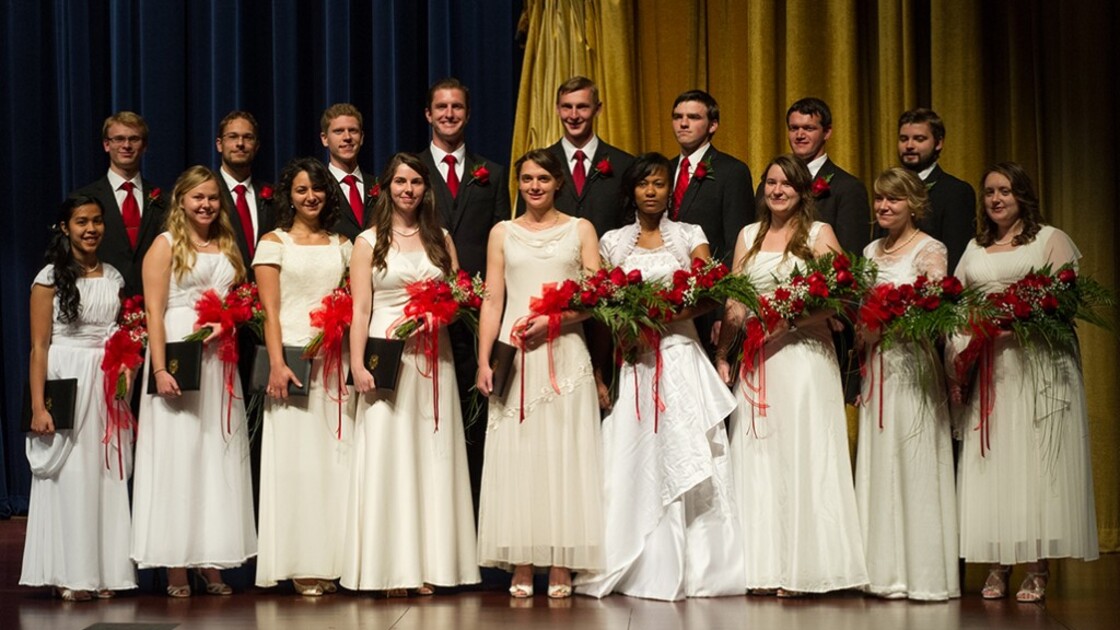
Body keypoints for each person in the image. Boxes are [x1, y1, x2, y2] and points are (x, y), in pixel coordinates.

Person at [575, 153, 742, 600]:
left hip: (682, 355)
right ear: (631, 191)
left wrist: (661, 315)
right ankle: (634, 561)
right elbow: (604, 311)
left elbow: (709, 292)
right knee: (634, 455)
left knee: (687, 453)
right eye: (644, 184)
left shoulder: (691, 236)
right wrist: (601, 369)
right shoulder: (612, 242)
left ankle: (699, 567)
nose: (652, 191)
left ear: (671, 191)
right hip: (636, 361)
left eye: (660, 184)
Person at [716, 154, 868, 596]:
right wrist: (724, 352)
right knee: (759, 457)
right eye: (771, 183)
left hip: (803, 359)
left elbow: (842, 295)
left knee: (804, 454)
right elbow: (736, 302)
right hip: (757, 361)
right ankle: (761, 567)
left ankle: (806, 568)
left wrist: (789, 322)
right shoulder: (748, 235)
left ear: (803, 190)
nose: (777, 190)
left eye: (786, 184)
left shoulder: (819, 235)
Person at [949, 162, 1098, 602]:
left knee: (1034, 463)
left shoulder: (1050, 239)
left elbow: (1065, 302)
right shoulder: (975, 247)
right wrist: (965, 339)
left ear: (1023, 197)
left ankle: (1037, 566)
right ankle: (997, 564)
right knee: (995, 461)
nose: (996, 199)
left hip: (1038, 362)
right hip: (993, 366)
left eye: (1006, 192)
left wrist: (1018, 320)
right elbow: (957, 302)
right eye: (990, 192)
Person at [343, 153, 479, 595]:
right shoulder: (367, 242)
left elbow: (458, 295)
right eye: (400, 181)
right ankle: (389, 569)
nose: (408, 189)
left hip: (432, 354)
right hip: (387, 350)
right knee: (389, 454)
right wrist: (357, 364)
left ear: (426, 188)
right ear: (386, 187)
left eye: (416, 181)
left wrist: (443, 316)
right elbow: (360, 307)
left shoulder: (440, 237)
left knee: (430, 455)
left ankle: (428, 566)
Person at [476, 149, 604, 599]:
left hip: (565, 354)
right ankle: (525, 562)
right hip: (517, 358)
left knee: (564, 457)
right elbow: (492, 299)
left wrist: (557, 321)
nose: (534, 186)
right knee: (521, 457)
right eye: (527, 179)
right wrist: (483, 360)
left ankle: (562, 562)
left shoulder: (580, 229)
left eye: (543, 179)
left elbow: (597, 296)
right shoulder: (502, 232)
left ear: (558, 183)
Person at [131, 166, 257, 597]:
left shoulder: (227, 244)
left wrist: (232, 319)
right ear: (181, 201)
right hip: (181, 354)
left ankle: (212, 559)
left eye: (212, 198)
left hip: (220, 358)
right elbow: (153, 313)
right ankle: (177, 565)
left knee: (214, 455)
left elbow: (240, 298)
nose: (206, 205)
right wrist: (162, 369)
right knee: (179, 457)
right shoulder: (165, 246)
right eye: (197, 197)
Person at [19, 197, 136, 601]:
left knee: (104, 475)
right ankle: (71, 572)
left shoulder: (116, 276)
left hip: (105, 382)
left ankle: (105, 572)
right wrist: (39, 406)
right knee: (72, 478)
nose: (91, 229)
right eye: (82, 222)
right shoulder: (49, 278)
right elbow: (38, 347)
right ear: (65, 227)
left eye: (98, 222)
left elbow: (118, 334)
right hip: (67, 378)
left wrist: (124, 367)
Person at [854, 168, 959, 600]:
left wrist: (894, 319)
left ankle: (923, 574)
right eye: (879, 199)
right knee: (882, 460)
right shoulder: (869, 250)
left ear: (913, 204)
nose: (883, 207)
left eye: (893, 200)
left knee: (915, 461)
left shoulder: (930, 249)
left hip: (912, 363)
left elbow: (934, 305)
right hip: (879, 365)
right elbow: (860, 307)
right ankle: (882, 572)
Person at [253, 158, 354, 596]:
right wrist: (277, 363)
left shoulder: (343, 244)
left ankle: (331, 560)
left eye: (316, 188)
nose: (309, 196)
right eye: (300, 190)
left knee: (335, 462)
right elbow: (270, 311)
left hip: (334, 362)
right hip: (292, 361)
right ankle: (299, 562)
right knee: (296, 465)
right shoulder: (273, 243)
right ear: (288, 195)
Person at [419, 77, 511, 512]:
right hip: (426, 313)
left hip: (479, 313)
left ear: (467, 114)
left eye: (457, 107)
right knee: (431, 416)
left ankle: (476, 520)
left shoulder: (490, 173)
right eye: (442, 107)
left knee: (478, 414)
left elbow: (501, 237)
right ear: (428, 114)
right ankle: (434, 512)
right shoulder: (411, 170)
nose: (449, 114)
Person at [668, 89, 754, 353]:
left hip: (709, 305)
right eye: (678, 116)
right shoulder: (664, 170)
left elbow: (736, 246)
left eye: (693, 117)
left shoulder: (732, 171)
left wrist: (723, 312)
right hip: (667, 305)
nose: (683, 123)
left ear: (713, 125)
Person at [523, 76, 635, 238]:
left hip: (606, 260)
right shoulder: (538, 164)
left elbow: (631, 225)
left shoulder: (624, 164)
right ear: (557, 109)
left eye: (582, 107)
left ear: (598, 109)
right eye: (567, 107)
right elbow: (525, 221)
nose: (573, 115)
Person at [71, 111, 168, 297]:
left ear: (144, 146)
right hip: (100, 301)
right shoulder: (83, 198)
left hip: (153, 301)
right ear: (106, 145)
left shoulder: (164, 200)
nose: (126, 145)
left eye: (134, 139)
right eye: (119, 139)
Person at [897, 108, 976, 272]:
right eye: (904, 139)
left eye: (919, 139)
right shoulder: (889, 190)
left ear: (938, 143)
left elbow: (957, 256)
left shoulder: (955, 192)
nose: (909, 145)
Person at [215, 110, 274, 278]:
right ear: (219, 144)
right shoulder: (204, 194)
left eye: (248, 137)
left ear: (256, 146)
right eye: (233, 137)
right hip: (221, 295)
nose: (240, 143)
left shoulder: (273, 195)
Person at [321, 103, 375, 241]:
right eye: (338, 131)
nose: (347, 137)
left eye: (353, 130)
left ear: (362, 137)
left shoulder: (378, 185)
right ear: (325, 139)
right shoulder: (317, 187)